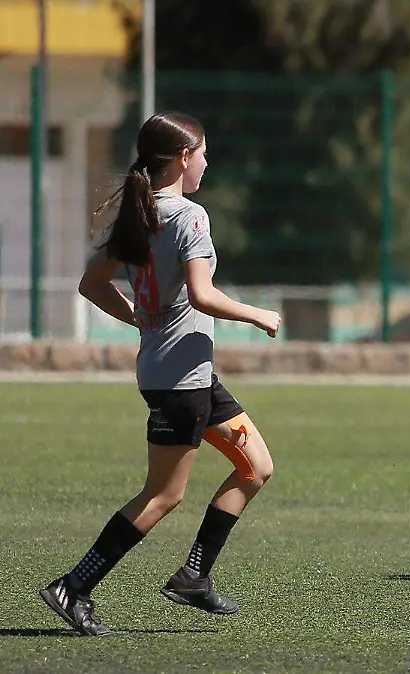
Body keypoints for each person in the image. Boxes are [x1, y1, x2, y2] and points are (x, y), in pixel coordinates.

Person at [40, 112, 281, 636]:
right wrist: (257, 313)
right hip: (181, 381)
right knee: (163, 495)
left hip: (183, 372)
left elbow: (92, 284)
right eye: (203, 154)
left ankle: (193, 576)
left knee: (256, 467)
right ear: (182, 159)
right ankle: (73, 587)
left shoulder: (142, 212)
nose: (207, 163)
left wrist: (139, 319)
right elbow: (202, 294)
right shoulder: (189, 216)